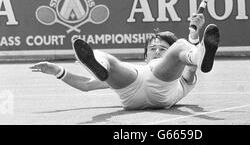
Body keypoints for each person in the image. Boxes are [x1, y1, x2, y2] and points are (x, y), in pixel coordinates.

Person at [30, 14, 221, 110]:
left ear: (169, 55)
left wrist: (193, 36)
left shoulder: (180, 75)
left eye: (162, 49)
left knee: (180, 45)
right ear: (145, 55)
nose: (156, 51)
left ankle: (198, 54)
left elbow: (190, 69)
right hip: (131, 88)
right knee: (106, 59)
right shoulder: (140, 67)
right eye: (152, 49)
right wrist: (58, 71)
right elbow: (86, 85)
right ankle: (101, 65)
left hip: (163, 88)